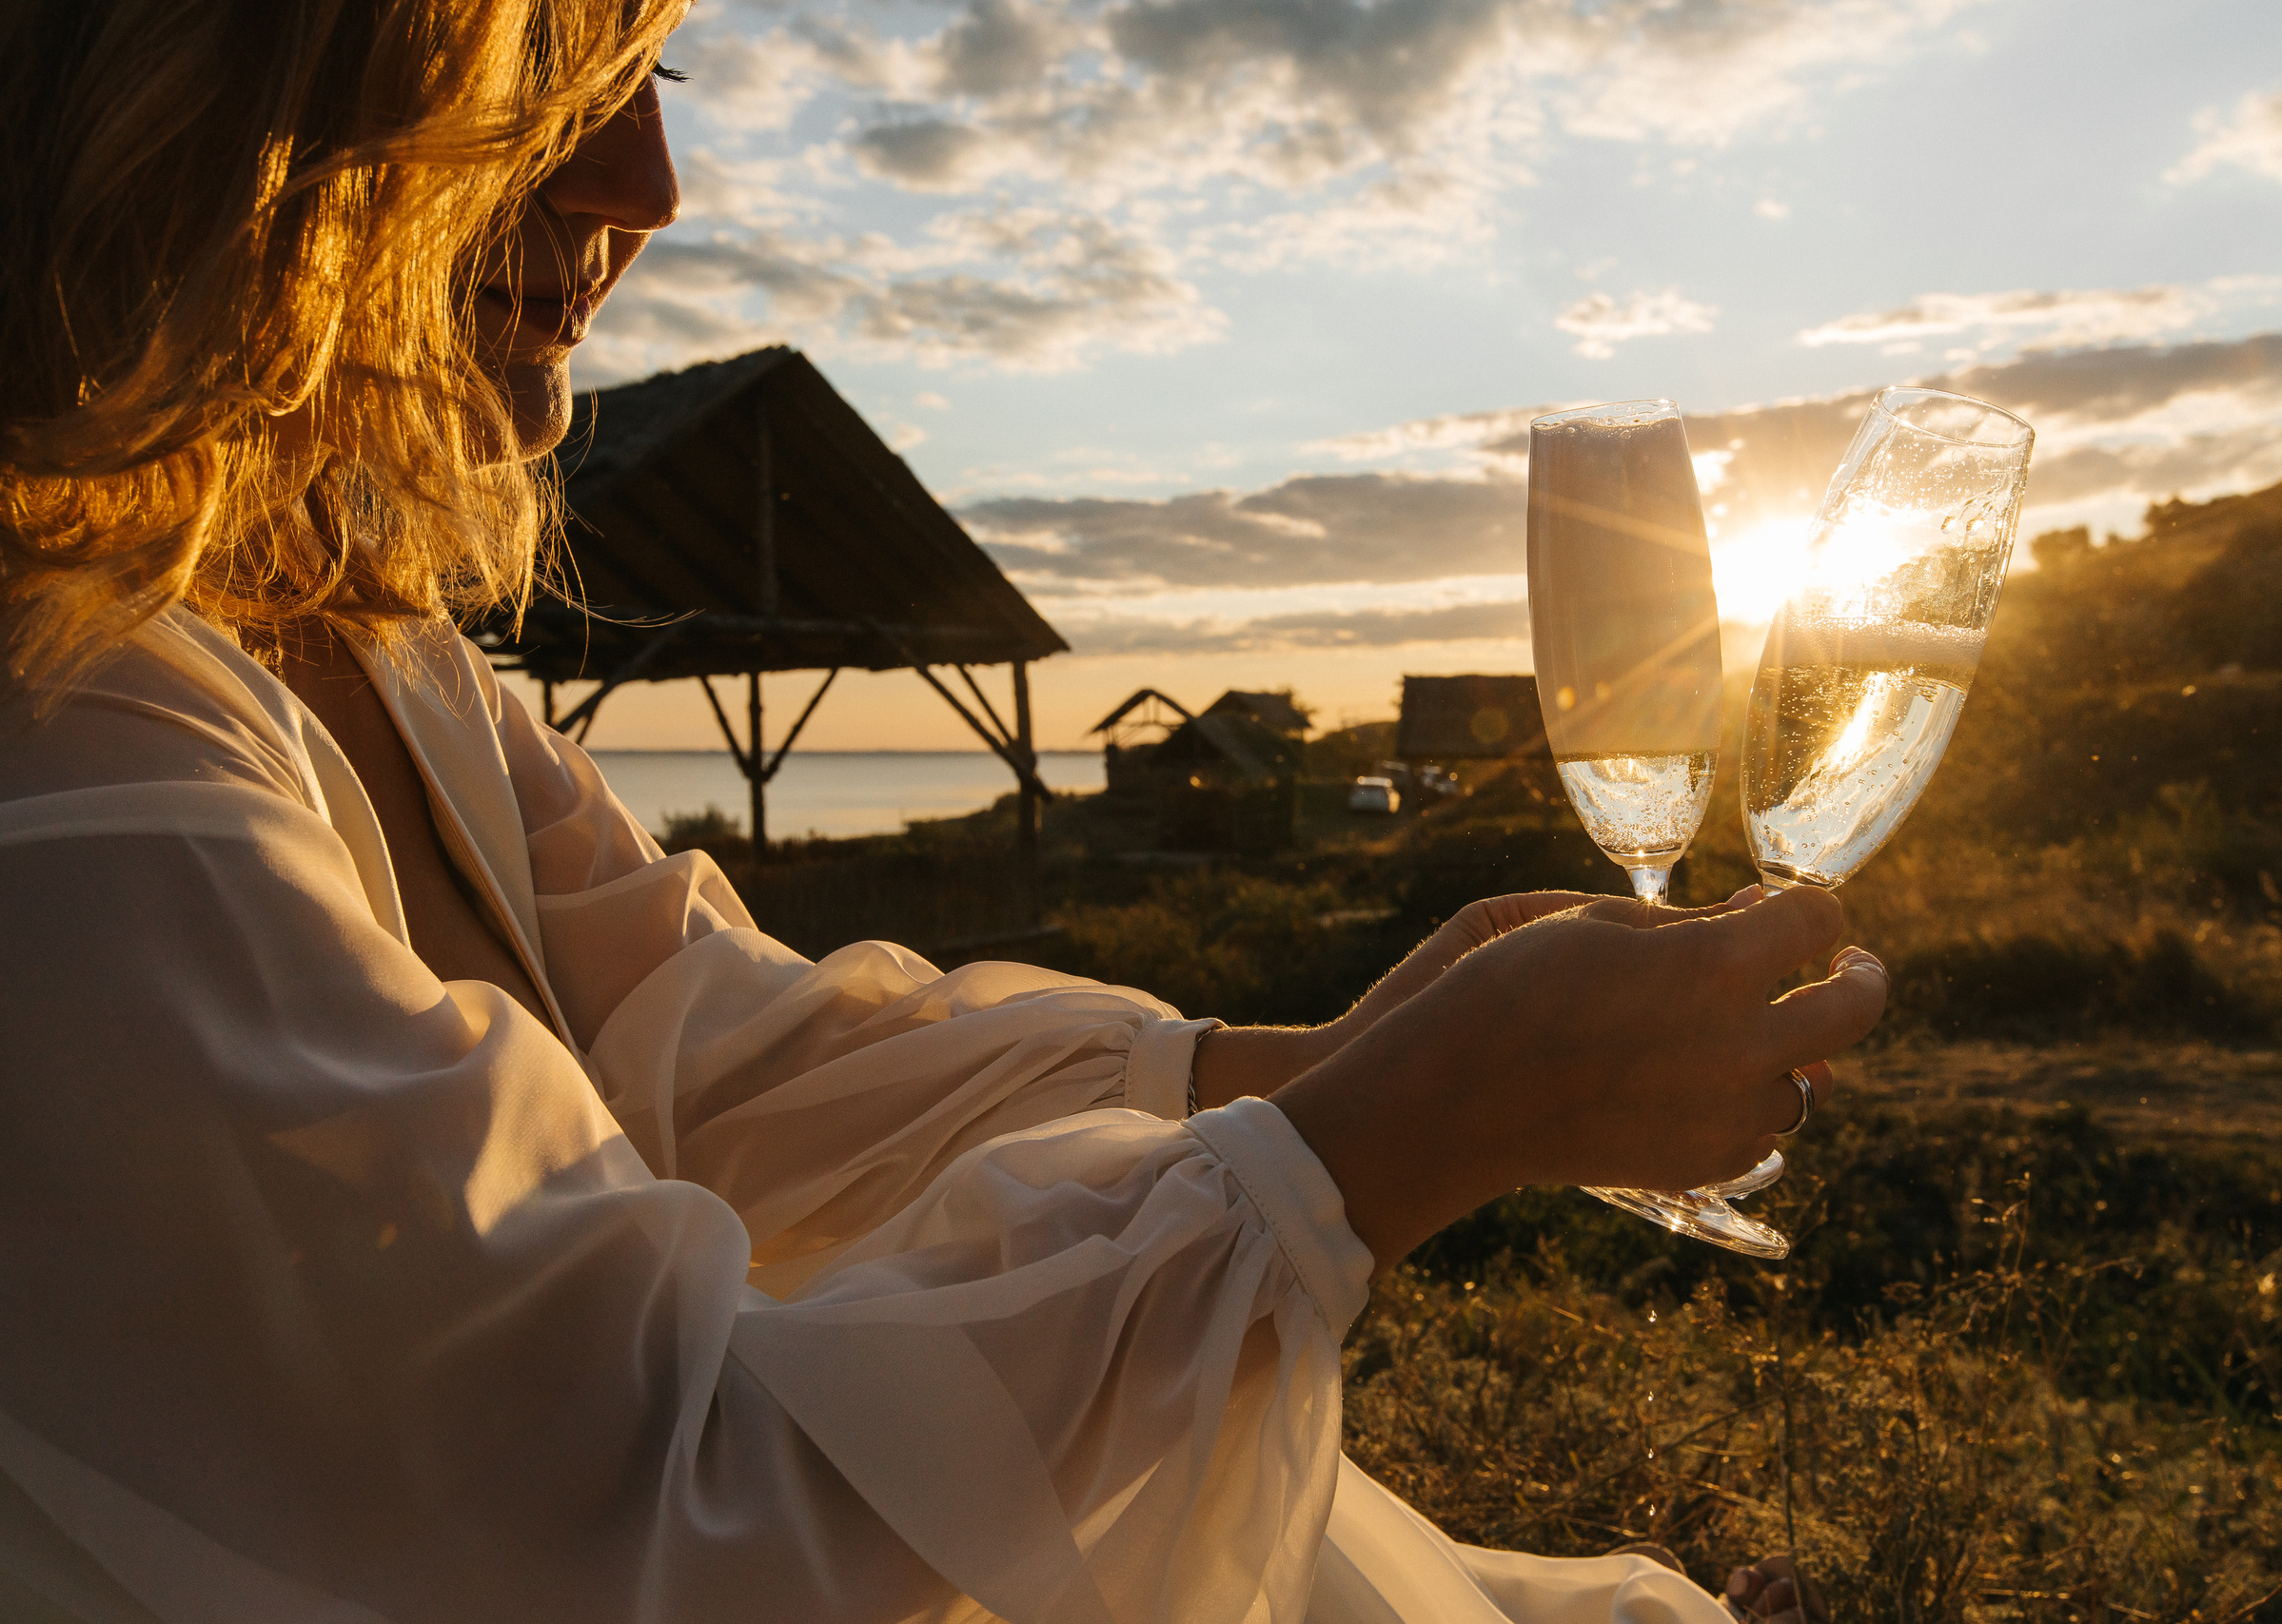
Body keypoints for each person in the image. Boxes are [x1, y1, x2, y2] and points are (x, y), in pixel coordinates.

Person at [0, 2, 1886, 1619]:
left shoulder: (367, 647)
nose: (645, 187)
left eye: (656, 72)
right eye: (554, 66)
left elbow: (734, 1068)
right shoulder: (66, 748)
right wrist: (1387, 1130)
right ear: (217, 74)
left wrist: (1315, 1052)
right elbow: (641, 1526)